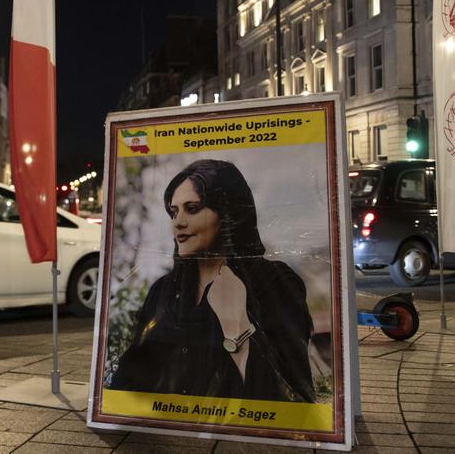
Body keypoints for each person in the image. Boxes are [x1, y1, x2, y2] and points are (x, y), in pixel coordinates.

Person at [109, 159, 315, 403]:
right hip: (167, 429)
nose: (178, 222)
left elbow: (295, 392)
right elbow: (128, 379)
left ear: (228, 214)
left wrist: (236, 324)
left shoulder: (274, 283)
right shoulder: (163, 290)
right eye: (174, 211)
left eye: (193, 208)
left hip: (246, 431)